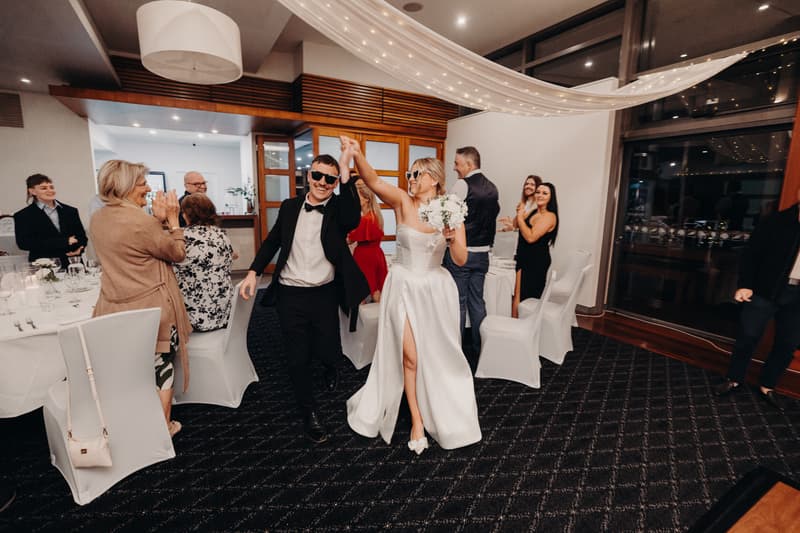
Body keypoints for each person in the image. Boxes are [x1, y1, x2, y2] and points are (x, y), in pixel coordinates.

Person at [341, 135, 482, 455]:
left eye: (417, 174)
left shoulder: (451, 209)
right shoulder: (403, 203)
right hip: (403, 285)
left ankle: (435, 403)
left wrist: (450, 238)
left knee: (434, 354)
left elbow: (460, 259)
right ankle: (417, 420)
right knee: (409, 355)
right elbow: (373, 179)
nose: (411, 179)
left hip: (434, 290)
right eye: (409, 175)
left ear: (434, 179)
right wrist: (357, 154)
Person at [239, 154, 369, 444]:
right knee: (297, 357)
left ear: (336, 183)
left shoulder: (338, 209)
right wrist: (253, 272)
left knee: (327, 346)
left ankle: (330, 365)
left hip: (324, 292)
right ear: (308, 176)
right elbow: (273, 240)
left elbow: (352, 218)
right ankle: (309, 411)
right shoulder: (289, 206)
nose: (323, 182)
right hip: (290, 292)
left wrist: (347, 174)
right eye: (318, 176)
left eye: (330, 179)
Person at [90, 159, 191, 437]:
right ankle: (162, 429)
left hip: (114, 306)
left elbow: (135, 246)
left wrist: (154, 221)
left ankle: (132, 422)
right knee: (162, 367)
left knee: (131, 369)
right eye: (142, 183)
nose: (147, 188)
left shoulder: (98, 218)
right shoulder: (142, 222)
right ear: (124, 187)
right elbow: (177, 253)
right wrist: (172, 221)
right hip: (150, 310)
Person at [715, 188, 800, 410]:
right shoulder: (776, 222)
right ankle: (734, 379)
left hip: (798, 296)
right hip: (765, 290)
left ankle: (767, 385)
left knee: (788, 344)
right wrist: (745, 285)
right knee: (748, 336)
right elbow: (751, 254)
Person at [445, 146, 500, 359]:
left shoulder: (462, 185)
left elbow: (449, 217)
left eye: (457, 163)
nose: (454, 167)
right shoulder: (493, 187)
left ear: (469, 164)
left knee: (458, 302)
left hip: (462, 253)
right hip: (483, 254)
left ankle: (455, 353)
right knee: (478, 303)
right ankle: (481, 351)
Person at [173, 193, 234, 332]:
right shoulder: (221, 234)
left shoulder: (181, 237)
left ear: (185, 215)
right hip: (225, 312)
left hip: (196, 317)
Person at [13, 173, 88, 267]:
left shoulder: (70, 211)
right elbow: (24, 243)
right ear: (32, 191)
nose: (50, 190)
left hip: (73, 263)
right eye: (44, 188)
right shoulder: (23, 216)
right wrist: (63, 242)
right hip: (44, 267)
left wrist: (80, 248)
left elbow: (82, 237)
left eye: (51, 187)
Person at [512, 182, 559, 317]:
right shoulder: (534, 211)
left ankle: (529, 327)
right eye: (538, 192)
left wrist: (521, 217)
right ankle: (516, 326)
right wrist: (519, 212)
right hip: (524, 258)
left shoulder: (549, 216)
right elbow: (516, 225)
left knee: (529, 298)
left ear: (551, 197)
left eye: (545, 193)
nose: (540, 195)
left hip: (536, 262)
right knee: (518, 296)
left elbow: (531, 237)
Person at [349, 178, 388, 303]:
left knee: (363, 291)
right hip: (376, 255)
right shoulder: (375, 216)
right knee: (376, 289)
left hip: (365, 257)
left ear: (366, 199)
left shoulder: (366, 220)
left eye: (358, 197)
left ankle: (360, 321)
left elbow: (349, 240)